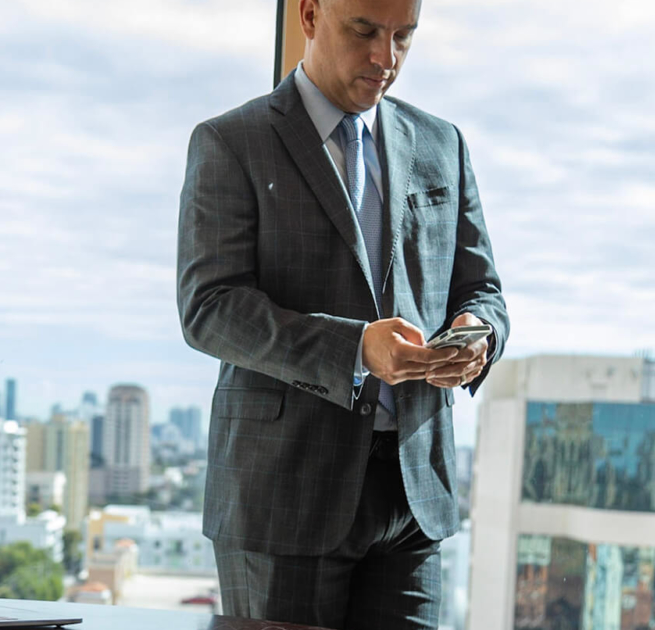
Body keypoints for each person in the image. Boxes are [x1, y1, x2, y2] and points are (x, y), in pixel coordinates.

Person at [176, 0, 509, 626]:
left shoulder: (443, 143)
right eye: (365, 32)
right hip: (283, 496)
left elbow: (481, 289)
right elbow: (210, 308)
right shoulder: (231, 142)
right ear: (307, 15)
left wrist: (477, 333)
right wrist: (356, 348)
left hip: (413, 494)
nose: (386, 59)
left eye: (403, 38)